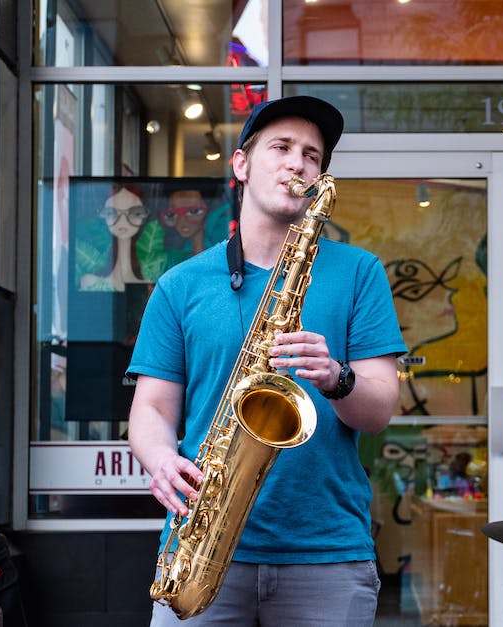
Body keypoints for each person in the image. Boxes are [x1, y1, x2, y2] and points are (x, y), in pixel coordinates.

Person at [127, 95, 406, 626]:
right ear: (240, 164)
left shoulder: (360, 272)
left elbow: (379, 410)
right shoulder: (179, 284)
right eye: (281, 147)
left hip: (327, 554)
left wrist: (338, 377)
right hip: (200, 546)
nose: (297, 162)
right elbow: (153, 409)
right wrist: (161, 461)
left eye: (312, 155)